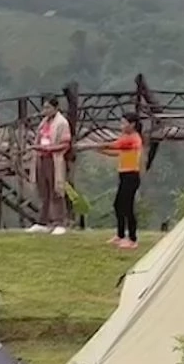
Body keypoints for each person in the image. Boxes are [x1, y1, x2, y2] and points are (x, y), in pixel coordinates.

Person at [80, 112, 144, 249]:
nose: (121, 126)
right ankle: (120, 235)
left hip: (131, 176)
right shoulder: (126, 138)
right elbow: (118, 152)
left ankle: (132, 239)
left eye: (124, 123)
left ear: (132, 124)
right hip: (124, 175)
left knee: (127, 208)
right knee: (118, 205)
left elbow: (115, 145)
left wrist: (93, 145)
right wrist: (99, 150)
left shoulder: (133, 138)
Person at [30, 96, 72, 235]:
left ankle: (59, 221)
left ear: (55, 108)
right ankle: (43, 221)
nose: (45, 110)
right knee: (44, 191)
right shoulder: (44, 122)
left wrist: (51, 148)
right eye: (44, 107)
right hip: (42, 158)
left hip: (54, 159)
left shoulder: (62, 123)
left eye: (48, 107)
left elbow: (66, 143)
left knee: (56, 190)